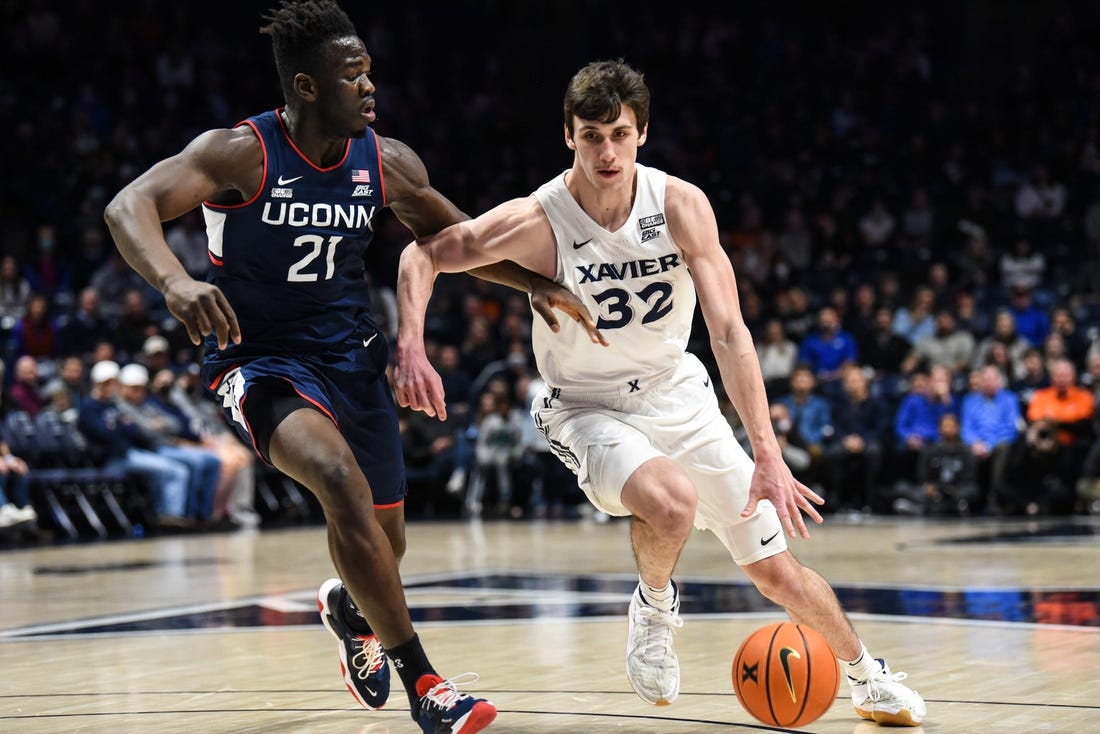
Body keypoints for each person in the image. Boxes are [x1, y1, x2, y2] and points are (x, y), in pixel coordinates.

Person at [103, 2, 596, 730]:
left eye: (369, 72)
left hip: (351, 358)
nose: (370, 87)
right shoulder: (241, 152)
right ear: (306, 87)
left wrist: (539, 285)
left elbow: (457, 239)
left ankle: (348, 608)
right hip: (261, 360)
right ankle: (427, 687)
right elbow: (128, 205)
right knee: (337, 479)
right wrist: (176, 283)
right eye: (351, 74)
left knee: (382, 545)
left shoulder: (386, 161)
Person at [394, 59, 925, 726]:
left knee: (777, 572)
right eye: (591, 135)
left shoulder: (679, 205)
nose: (606, 151)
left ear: (642, 133)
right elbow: (424, 253)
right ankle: (652, 607)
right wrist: (411, 345)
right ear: (569, 137)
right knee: (670, 501)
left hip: (679, 394)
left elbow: (730, 332)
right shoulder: (542, 217)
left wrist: (767, 449)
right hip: (586, 406)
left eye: (618, 133)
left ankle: (866, 676)